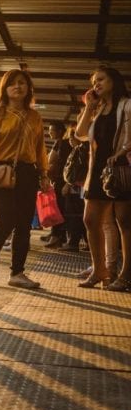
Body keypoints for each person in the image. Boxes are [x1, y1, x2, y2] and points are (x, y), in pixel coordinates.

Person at [0, 69, 50, 289]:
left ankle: (17, 273)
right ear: (5, 88)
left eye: (22, 83)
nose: (17, 87)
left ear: (28, 88)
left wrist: (44, 173)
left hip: (28, 172)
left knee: (23, 225)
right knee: (6, 218)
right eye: (12, 84)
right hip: (0, 171)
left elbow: (40, 148)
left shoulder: (34, 117)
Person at [75, 67, 131, 290]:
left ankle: (126, 275)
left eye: (101, 79)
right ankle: (99, 270)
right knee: (90, 220)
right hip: (98, 170)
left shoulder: (127, 105)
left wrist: (123, 152)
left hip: (121, 169)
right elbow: (80, 133)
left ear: (114, 81)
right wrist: (88, 107)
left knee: (125, 222)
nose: (96, 83)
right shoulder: (97, 109)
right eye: (93, 81)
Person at [45, 122, 71, 248]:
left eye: (52, 130)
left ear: (60, 131)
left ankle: (57, 236)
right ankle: (55, 234)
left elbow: (56, 162)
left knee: (58, 208)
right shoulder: (59, 143)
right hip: (59, 179)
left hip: (61, 180)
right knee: (57, 208)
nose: (50, 133)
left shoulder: (63, 144)